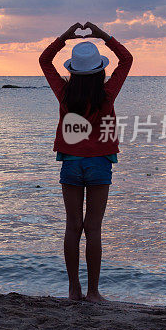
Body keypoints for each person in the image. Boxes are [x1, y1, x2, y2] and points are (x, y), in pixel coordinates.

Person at [39, 22, 133, 303]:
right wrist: (102, 35)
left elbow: (44, 60)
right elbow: (127, 59)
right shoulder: (106, 94)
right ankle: (93, 292)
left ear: (73, 70)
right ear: (100, 69)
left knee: (72, 226)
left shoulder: (65, 93)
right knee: (93, 229)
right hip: (99, 164)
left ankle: (73, 290)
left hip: (70, 163)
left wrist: (65, 37)